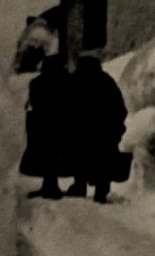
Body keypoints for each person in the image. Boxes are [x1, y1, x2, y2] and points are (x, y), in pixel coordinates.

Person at [65, 54, 129, 204]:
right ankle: (102, 189)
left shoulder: (75, 81)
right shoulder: (106, 81)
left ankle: (80, 185)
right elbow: (120, 108)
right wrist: (116, 127)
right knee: (103, 159)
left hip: (81, 131)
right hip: (104, 132)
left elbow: (65, 106)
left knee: (80, 157)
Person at [19, 54, 70, 199]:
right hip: (60, 124)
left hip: (41, 124)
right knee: (53, 156)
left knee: (46, 155)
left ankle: (49, 185)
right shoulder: (65, 81)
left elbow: (33, 103)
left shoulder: (36, 83)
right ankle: (51, 185)